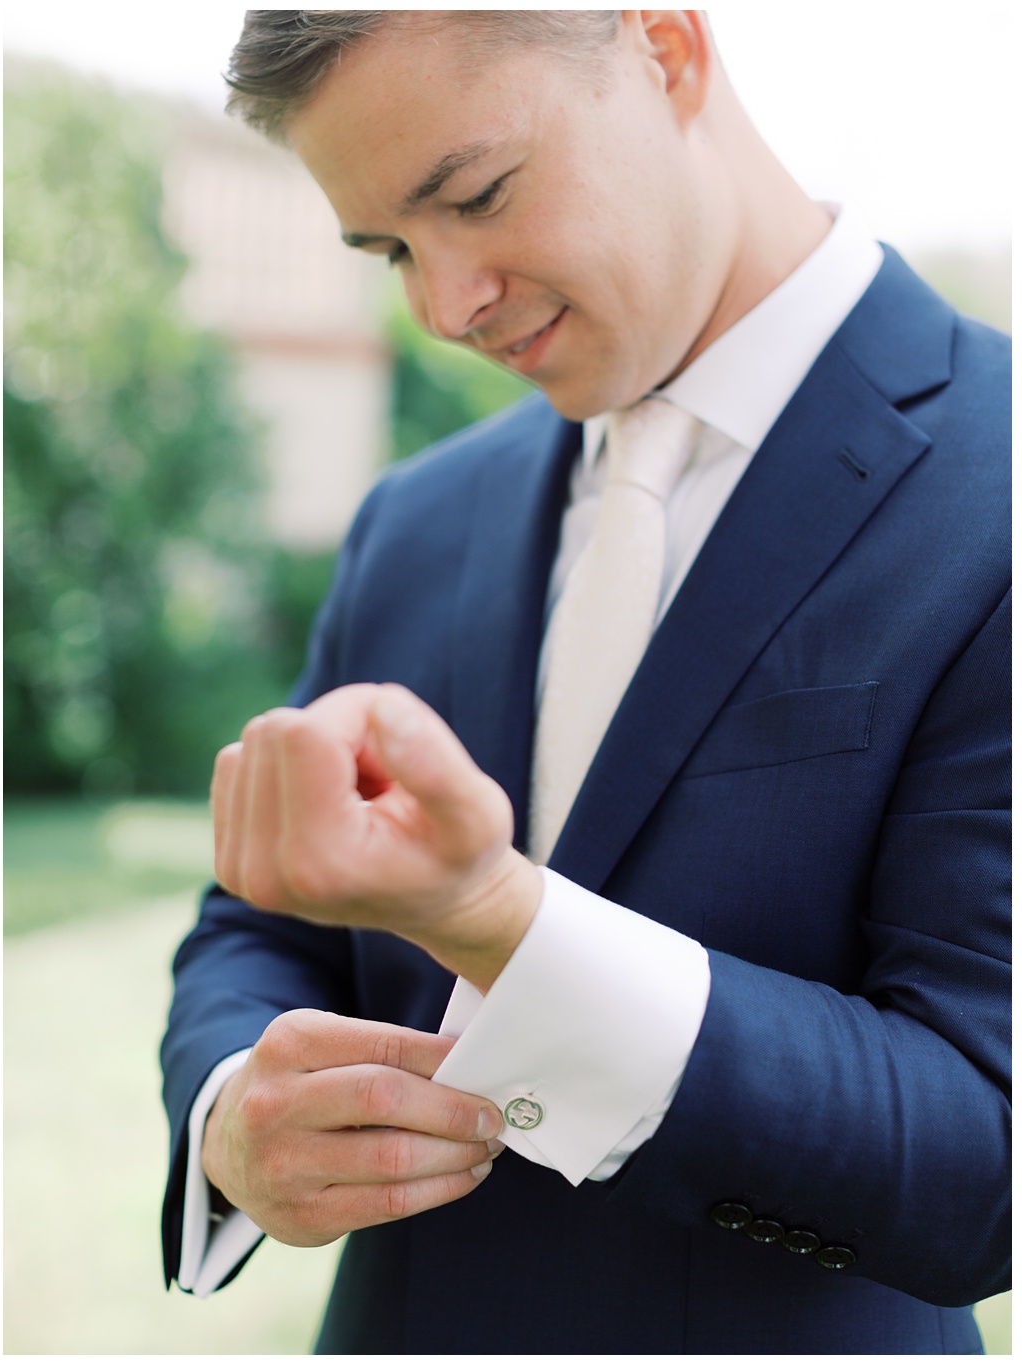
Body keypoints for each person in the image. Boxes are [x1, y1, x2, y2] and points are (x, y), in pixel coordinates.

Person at [161, 11, 1008, 1353]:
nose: (444, 306)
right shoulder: (414, 521)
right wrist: (229, 1109)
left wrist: (498, 918)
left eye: (476, 194)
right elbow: (262, 927)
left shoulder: (996, 483)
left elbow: (988, 1159)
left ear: (664, 44)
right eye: (390, 248)